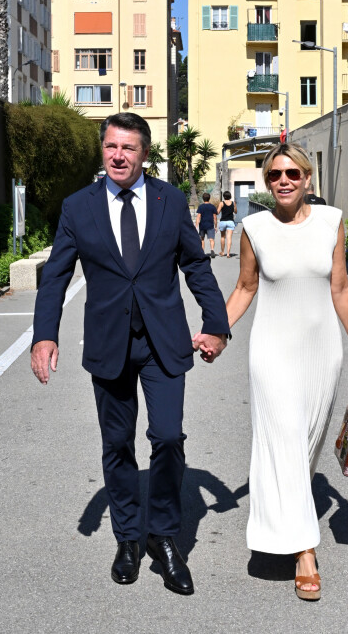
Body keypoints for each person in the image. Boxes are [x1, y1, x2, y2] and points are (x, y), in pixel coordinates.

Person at [31, 112, 229, 596]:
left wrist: (217, 324)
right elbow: (55, 275)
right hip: (109, 343)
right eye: (111, 147)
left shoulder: (169, 200)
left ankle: (163, 536)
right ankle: (127, 539)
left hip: (163, 342)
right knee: (118, 446)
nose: (119, 156)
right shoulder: (79, 207)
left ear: (144, 154)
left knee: (166, 437)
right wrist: (44, 334)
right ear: (103, 150)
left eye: (129, 148)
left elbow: (196, 266)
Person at [225, 142, 348, 601]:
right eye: (274, 176)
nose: (283, 181)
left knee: (305, 445)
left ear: (308, 178)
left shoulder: (331, 222)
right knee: (283, 438)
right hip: (271, 352)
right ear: (266, 183)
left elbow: (340, 286)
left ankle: (288, 518)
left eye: (292, 173)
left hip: (321, 350)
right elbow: (245, 287)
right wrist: (215, 331)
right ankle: (304, 552)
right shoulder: (254, 227)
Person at [195, 192, 218, 258]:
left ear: (203, 199)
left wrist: (196, 225)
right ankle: (212, 250)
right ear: (209, 198)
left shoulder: (201, 207)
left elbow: (198, 216)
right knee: (211, 239)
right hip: (210, 225)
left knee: (202, 239)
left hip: (202, 225)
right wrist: (215, 226)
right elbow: (215, 217)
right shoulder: (212, 207)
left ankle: (202, 252)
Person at [217, 191, 237, 257]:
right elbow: (236, 212)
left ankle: (222, 252)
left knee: (223, 237)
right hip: (230, 222)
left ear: (224, 196)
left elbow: (217, 212)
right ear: (230, 196)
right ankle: (228, 253)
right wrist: (234, 206)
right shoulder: (233, 203)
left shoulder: (221, 203)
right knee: (229, 238)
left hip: (223, 221)